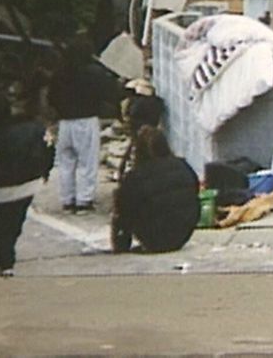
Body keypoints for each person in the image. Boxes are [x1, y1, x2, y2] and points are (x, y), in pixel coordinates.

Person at [0, 91, 55, 277]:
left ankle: (2, 261)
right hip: (30, 182)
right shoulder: (34, 127)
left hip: (0, 187)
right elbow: (48, 150)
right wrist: (45, 171)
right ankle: (4, 262)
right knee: (14, 223)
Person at [47, 36, 119, 213]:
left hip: (64, 122)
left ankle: (67, 199)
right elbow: (110, 92)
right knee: (87, 162)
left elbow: (51, 97)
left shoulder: (60, 73)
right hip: (86, 120)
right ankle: (84, 201)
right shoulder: (93, 72)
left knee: (66, 162)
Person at [111, 126, 200, 254]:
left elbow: (124, 209)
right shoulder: (182, 165)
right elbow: (195, 189)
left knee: (122, 199)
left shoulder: (135, 176)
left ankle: (121, 247)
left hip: (152, 236)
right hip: (183, 232)